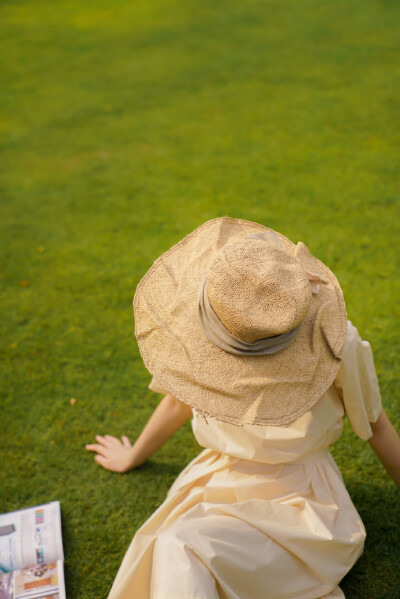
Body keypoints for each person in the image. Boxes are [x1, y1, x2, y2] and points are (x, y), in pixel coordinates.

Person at [86, 217, 400, 599]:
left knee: (178, 548)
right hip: (218, 480)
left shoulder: (336, 344)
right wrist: (133, 454)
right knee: (175, 549)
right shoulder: (212, 322)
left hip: (304, 506)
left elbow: (376, 426)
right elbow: (177, 402)